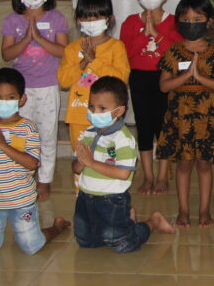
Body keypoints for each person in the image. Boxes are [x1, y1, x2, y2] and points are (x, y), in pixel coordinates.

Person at [0, 68, 69, 254]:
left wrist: (3, 145)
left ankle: (57, 227)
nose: (4, 102)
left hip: (22, 200)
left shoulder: (28, 128)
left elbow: (32, 164)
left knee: (31, 246)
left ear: (22, 99)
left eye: (10, 97)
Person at [72, 76, 175, 252]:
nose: (95, 112)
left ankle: (153, 221)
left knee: (123, 245)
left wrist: (91, 162)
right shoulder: (87, 133)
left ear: (119, 111)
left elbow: (123, 173)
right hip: (85, 197)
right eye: (91, 107)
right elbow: (75, 167)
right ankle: (127, 221)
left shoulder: (123, 139)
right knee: (85, 241)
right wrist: (81, 163)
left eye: (102, 108)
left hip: (111, 200)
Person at [157, 0, 214, 228]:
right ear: (178, 22)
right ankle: (183, 210)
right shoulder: (173, 51)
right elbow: (164, 86)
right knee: (184, 165)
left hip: (207, 118)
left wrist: (199, 77)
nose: (191, 24)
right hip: (181, 118)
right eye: (186, 20)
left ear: (208, 21)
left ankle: (204, 210)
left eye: (197, 19)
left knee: (204, 165)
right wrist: (186, 76)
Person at [0, 0, 69, 199]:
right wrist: (26, 39)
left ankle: (45, 179)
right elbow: (6, 54)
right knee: (20, 134)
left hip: (48, 86)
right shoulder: (12, 20)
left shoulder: (56, 18)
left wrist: (39, 38)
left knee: (47, 135)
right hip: (21, 89)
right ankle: (22, 176)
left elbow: (64, 51)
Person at [120, 0, 182, 195]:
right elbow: (126, 53)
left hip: (165, 79)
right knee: (143, 127)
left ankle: (163, 176)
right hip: (139, 78)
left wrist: (156, 33)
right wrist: (143, 33)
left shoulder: (174, 22)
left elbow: (177, 53)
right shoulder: (130, 22)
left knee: (164, 127)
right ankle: (148, 176)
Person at [58, 0, 130, 157]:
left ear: (109, 19)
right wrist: (83, 63)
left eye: (96, 17)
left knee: (107, 157)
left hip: (107, 116)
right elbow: (63, 81)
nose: (91, 22)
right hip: (78, 116)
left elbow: (121, 79)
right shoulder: (71, 49)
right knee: (81, 158)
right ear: (78, 21)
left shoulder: (116, 47)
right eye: (85, 18)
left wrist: (94, 61)